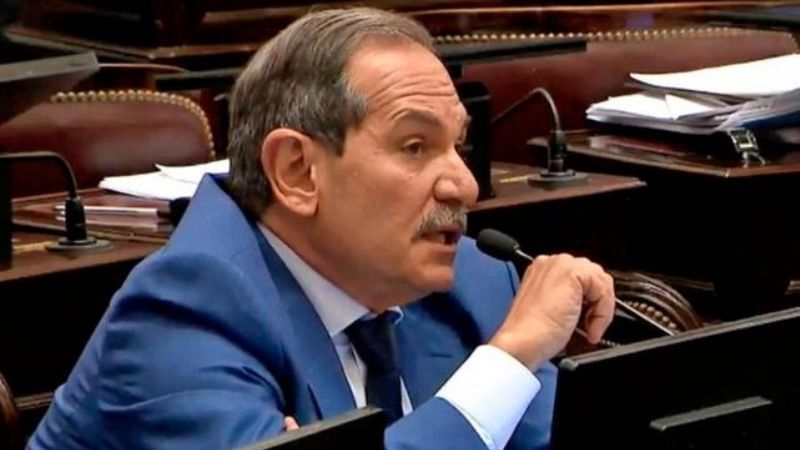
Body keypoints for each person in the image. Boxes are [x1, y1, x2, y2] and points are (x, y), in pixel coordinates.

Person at [27, 7, 615, 450]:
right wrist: (509, 359)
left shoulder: (471, 282)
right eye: (415, 146)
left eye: (456, 146)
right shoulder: (181, 316)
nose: (462, 185)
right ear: (297, 171)